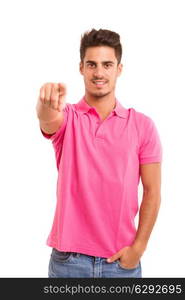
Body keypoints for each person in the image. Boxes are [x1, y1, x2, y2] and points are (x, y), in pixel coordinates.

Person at [36, 28, 162, 278]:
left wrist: (138, 248)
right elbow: (48, 118)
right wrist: (45, 102)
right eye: (92, 64)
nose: (99, 72)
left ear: (119, 69)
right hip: (68, 263)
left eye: (107, 64)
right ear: (81, 68)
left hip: (120, 264)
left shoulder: (142, 125)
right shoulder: (69, 118)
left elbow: (152, 192)